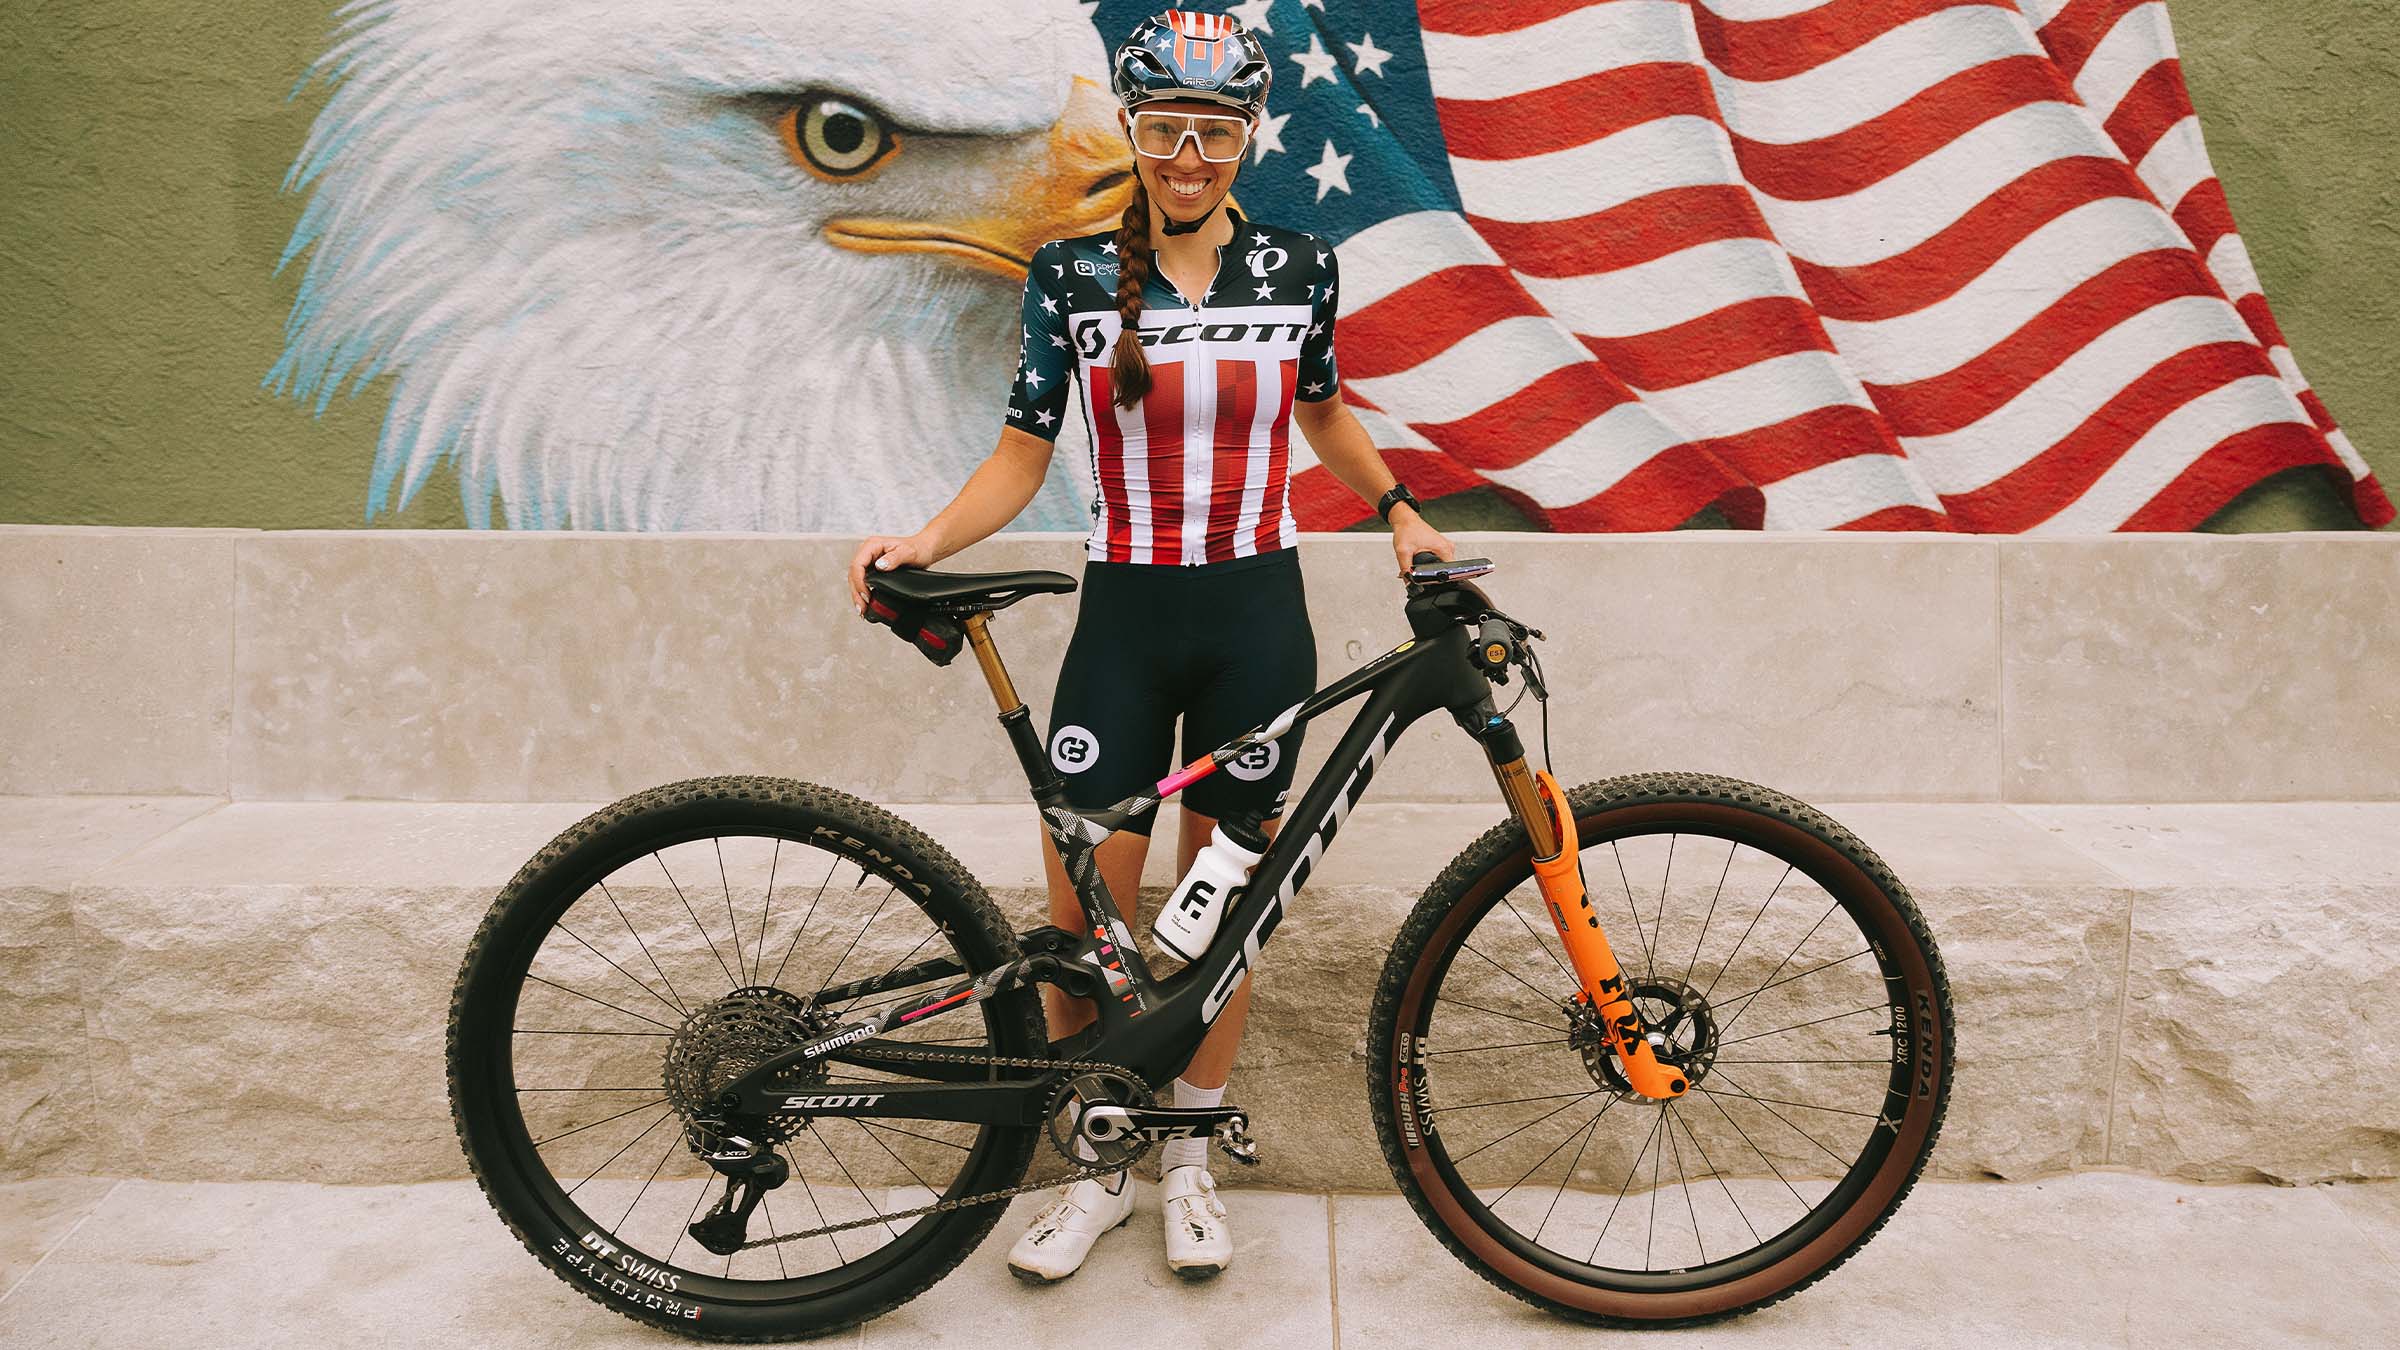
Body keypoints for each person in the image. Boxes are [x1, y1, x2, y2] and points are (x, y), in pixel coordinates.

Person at [846, 9, 1453, 1283]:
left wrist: (1400, 513)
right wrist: (921, 539)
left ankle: (1184, 1156)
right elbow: (1020, 460)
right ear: (1134, 132)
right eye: (1167, 129)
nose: (1189, 155)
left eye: (1215, 131)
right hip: (1124, 622)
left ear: (1247, 138)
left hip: (1255, 629)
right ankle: (1096, 1164)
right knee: (1086, 915)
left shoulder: (1298, 268)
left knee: (1218, 914)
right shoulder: (1068, 274)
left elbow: (1329, 421)